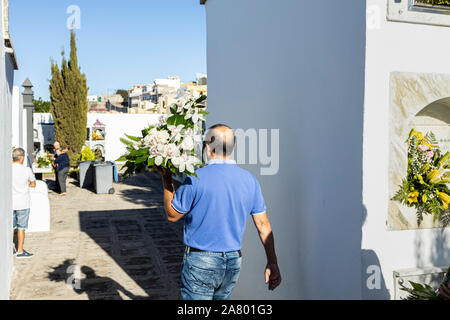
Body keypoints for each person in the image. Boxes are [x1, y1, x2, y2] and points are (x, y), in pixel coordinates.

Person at [155, 124, 281, 300]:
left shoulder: (196, 178)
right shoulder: (250, 180)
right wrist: (272, 262)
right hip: (233, 261)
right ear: (234, 146)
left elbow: (172, 214)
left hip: (201, 261)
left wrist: (166, 179)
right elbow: (263, 226)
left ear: (207, 146)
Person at [12, 148, 36, 259]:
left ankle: (9, 250)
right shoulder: (26, 170)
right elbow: (33, 184)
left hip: (10, 202)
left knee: (10, 227)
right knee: (21, 228)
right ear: (21, 158)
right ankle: (20, 251)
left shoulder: (7, 169)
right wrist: (26, 184)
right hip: (23, 202)